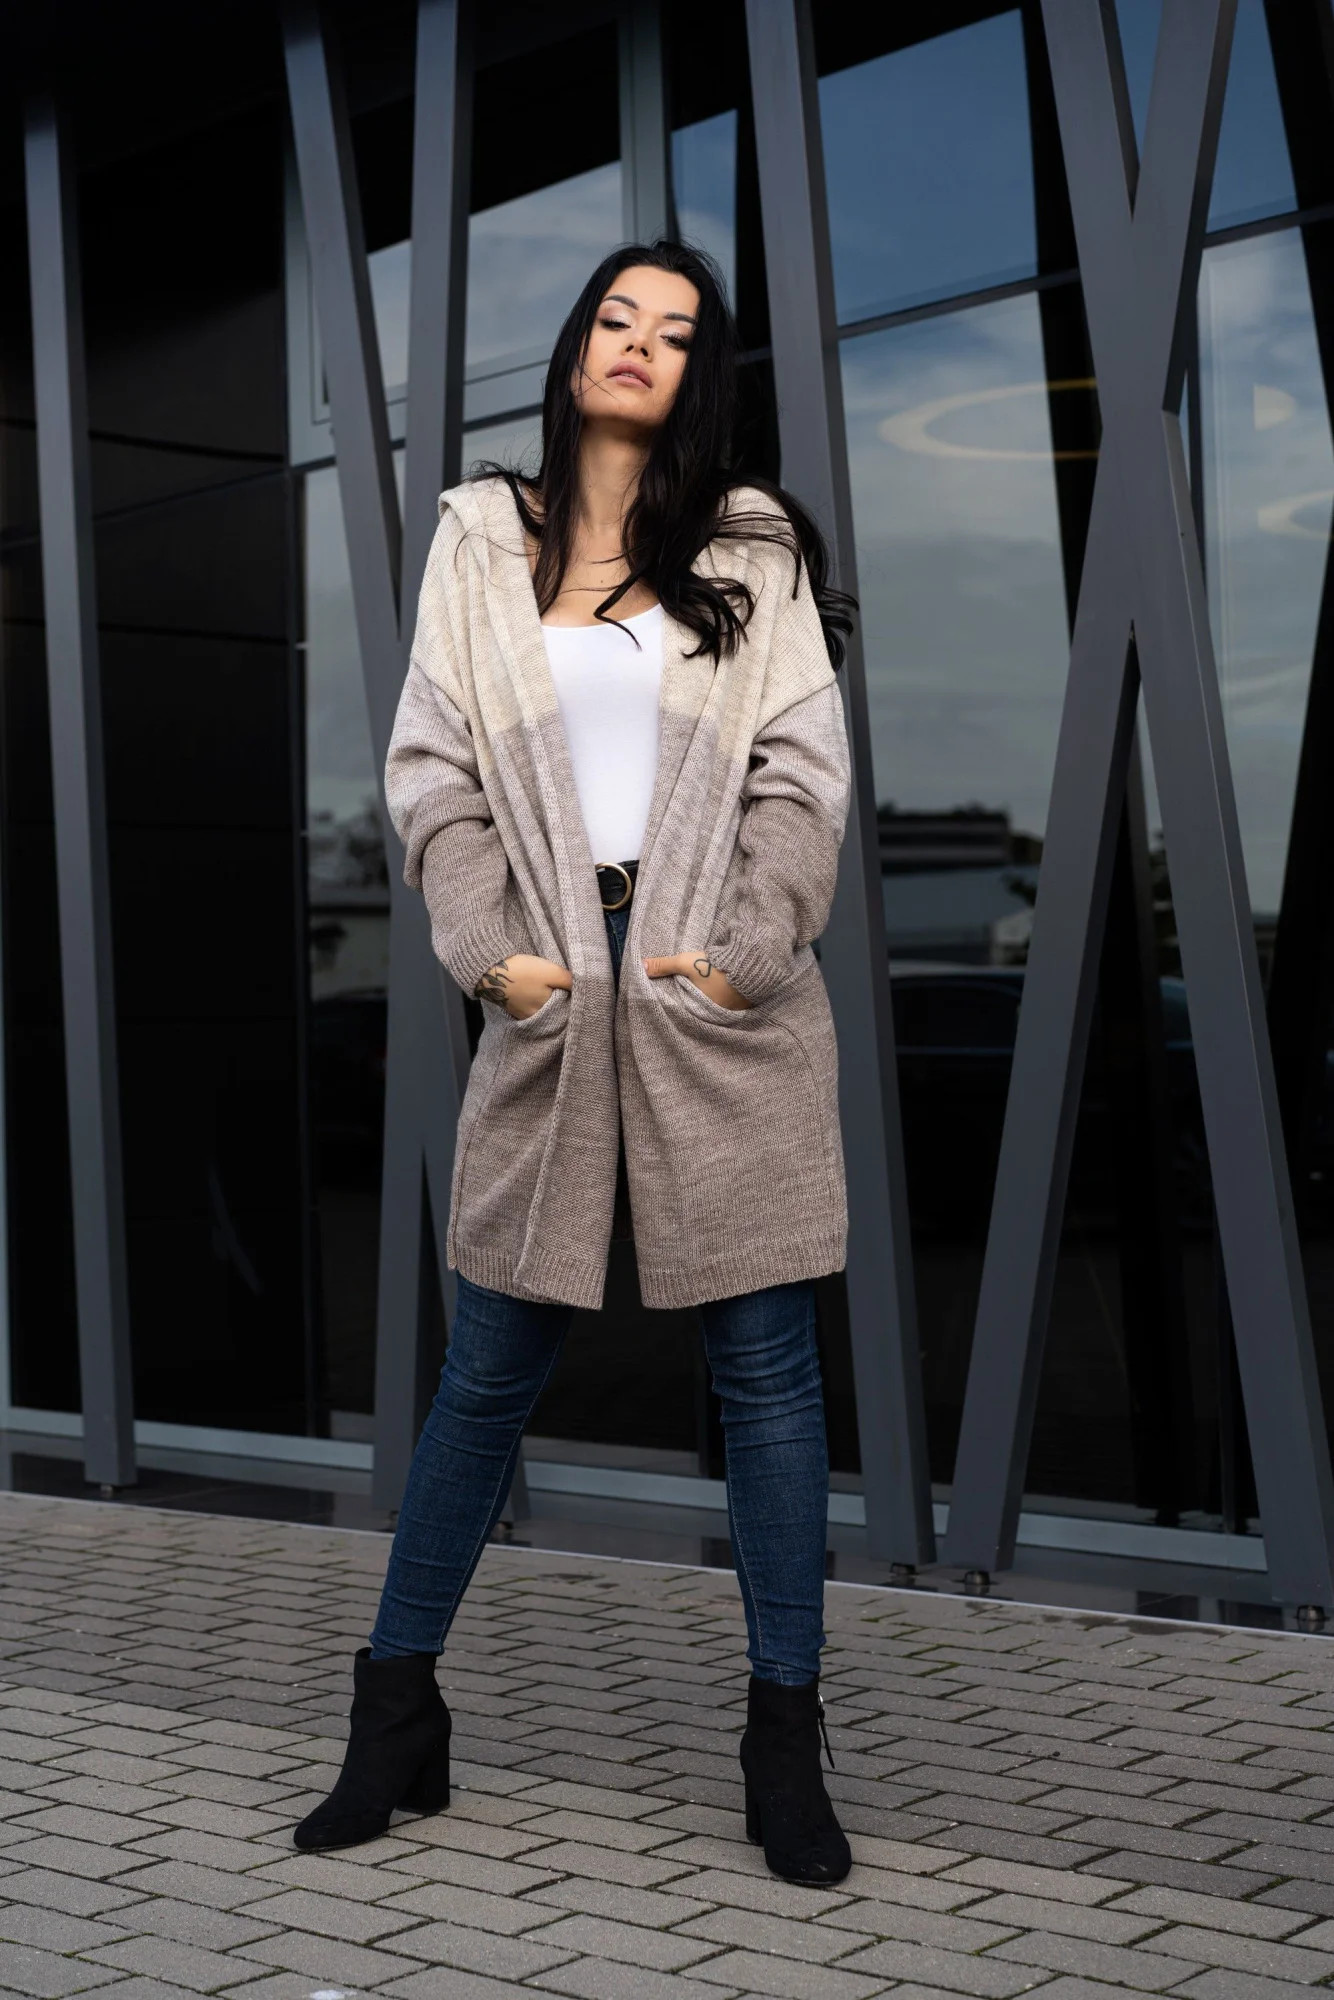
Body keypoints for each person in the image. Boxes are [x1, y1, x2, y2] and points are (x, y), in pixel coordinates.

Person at [293, 240, 856, 1886]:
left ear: (699, 376)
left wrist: (744, 951)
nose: (636, 345)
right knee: (485, 1376)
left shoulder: (747, 548)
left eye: (673, 333)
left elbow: (801, 776)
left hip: (714, 999)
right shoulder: (482, 536)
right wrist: (496, 956)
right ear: (573, 346)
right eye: (617, 318)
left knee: (766, 1378)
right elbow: (431, 773)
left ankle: (783, 1739)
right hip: (548, 996)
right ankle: (394, 1713)